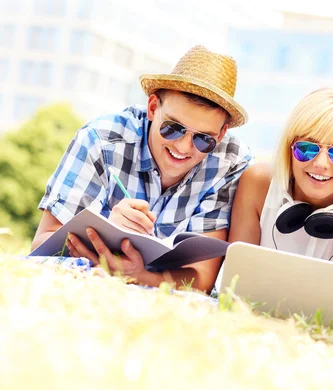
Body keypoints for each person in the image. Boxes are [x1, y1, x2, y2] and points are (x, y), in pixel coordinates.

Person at [31, 45, 252, 293]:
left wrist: (140, 275)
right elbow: (40, 247)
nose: (183, 146)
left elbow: (202, 278)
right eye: (173, 127)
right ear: (153, 107)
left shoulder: (229, 163)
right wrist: (106, 230)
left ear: (222, 134)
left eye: (204, 139)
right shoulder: (101, 140)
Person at [228, 88, 333, 267]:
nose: (321, 164)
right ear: (289, 148)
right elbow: (237, 277)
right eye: (307, 148)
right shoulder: (257, 182)